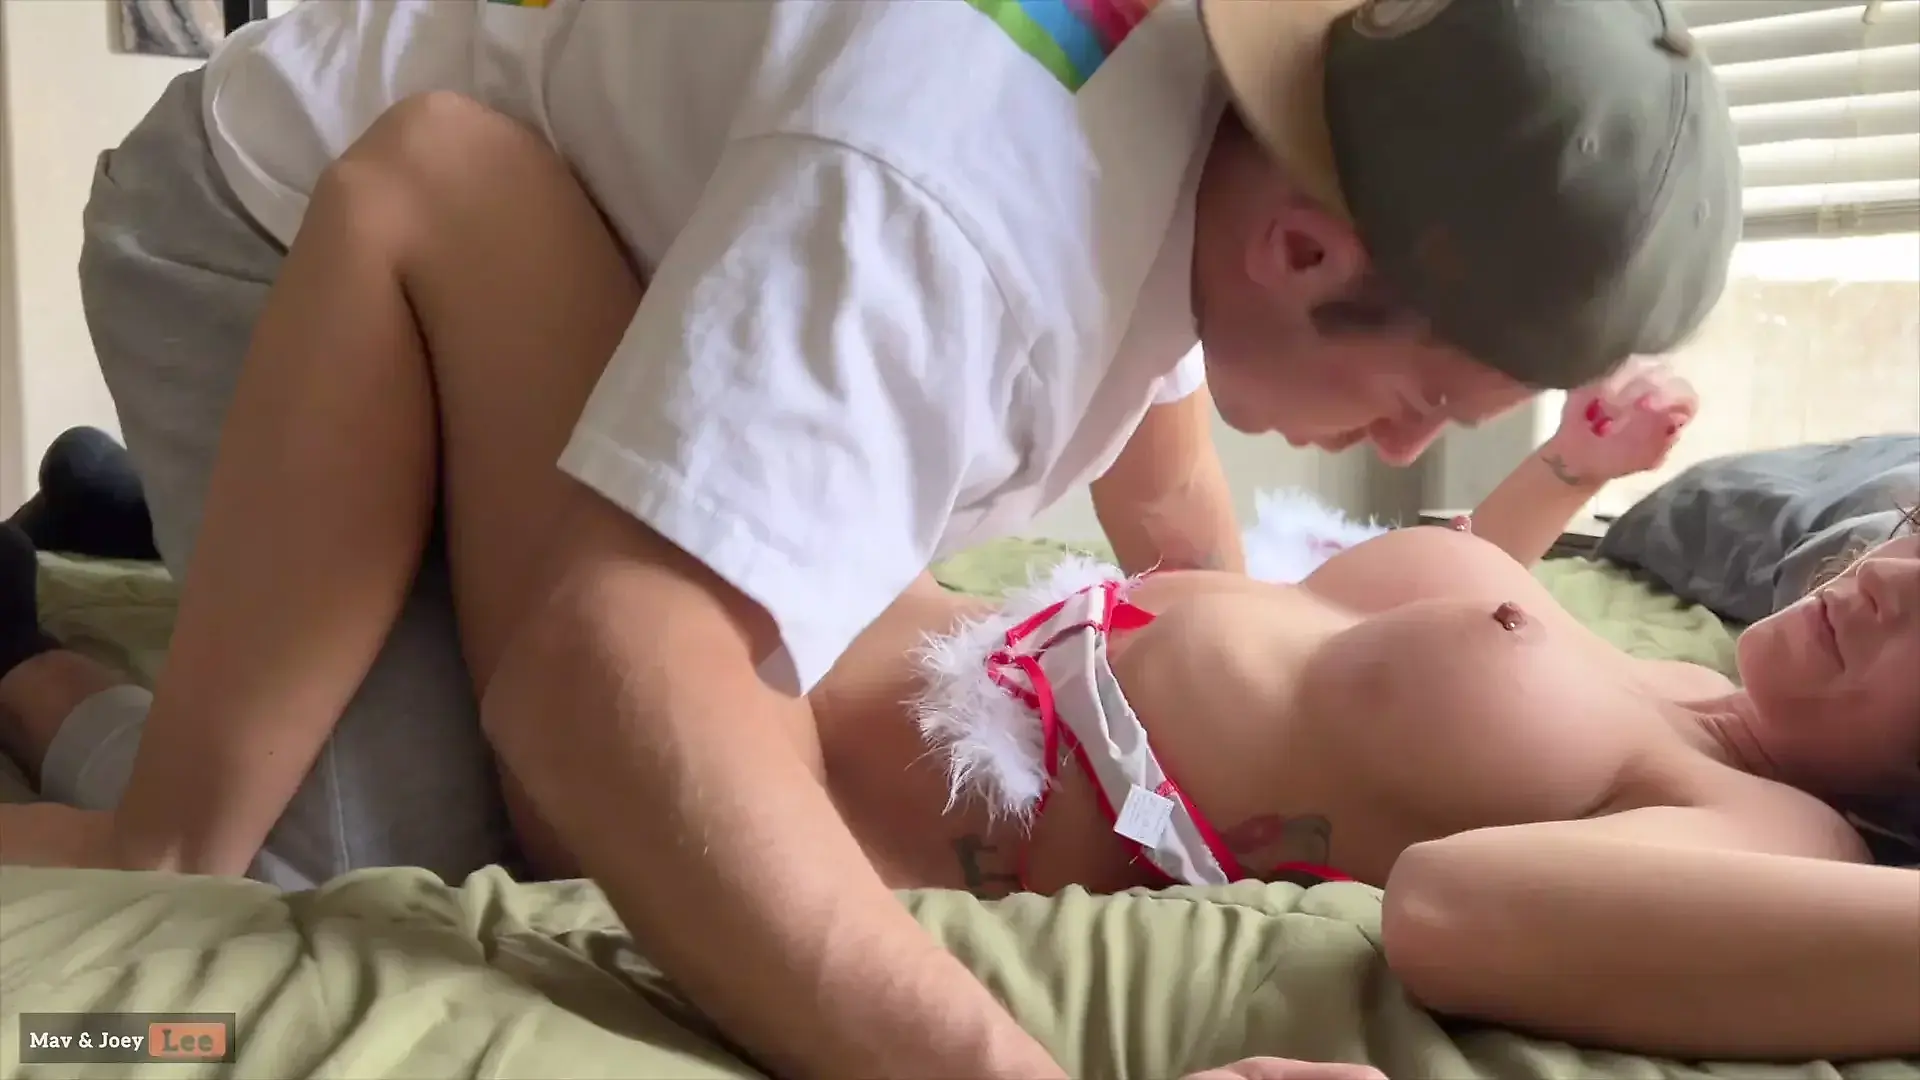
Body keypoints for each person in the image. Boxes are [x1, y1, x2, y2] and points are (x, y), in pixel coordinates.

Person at [10, 0, 1741, 1075]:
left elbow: (1159, 462)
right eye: (1428, 395)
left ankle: (94, 577)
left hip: (559, 243)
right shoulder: (955, 212)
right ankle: (80, 685)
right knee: (308, 877)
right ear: (1305, 250)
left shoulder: (1223, 129)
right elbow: (598, 691)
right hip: (284, 211)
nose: (1411, 448)